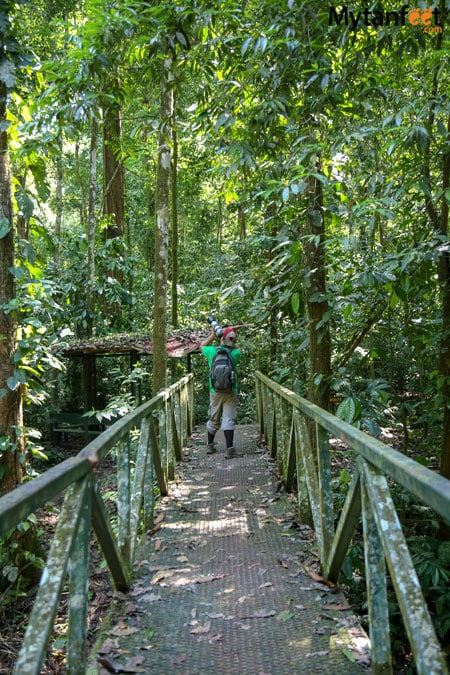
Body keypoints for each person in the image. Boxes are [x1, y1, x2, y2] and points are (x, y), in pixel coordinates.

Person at [200, 326, 241, 458]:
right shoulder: (234, 354)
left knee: (214, 417)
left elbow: (201, 346)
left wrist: (212, 335)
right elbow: (238, 348)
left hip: (215, 390)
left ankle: (210, 446)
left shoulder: (212, 351)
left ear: (221, 338)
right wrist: (232, 341)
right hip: (230, 390)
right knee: (228, 419)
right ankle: (229, 448)